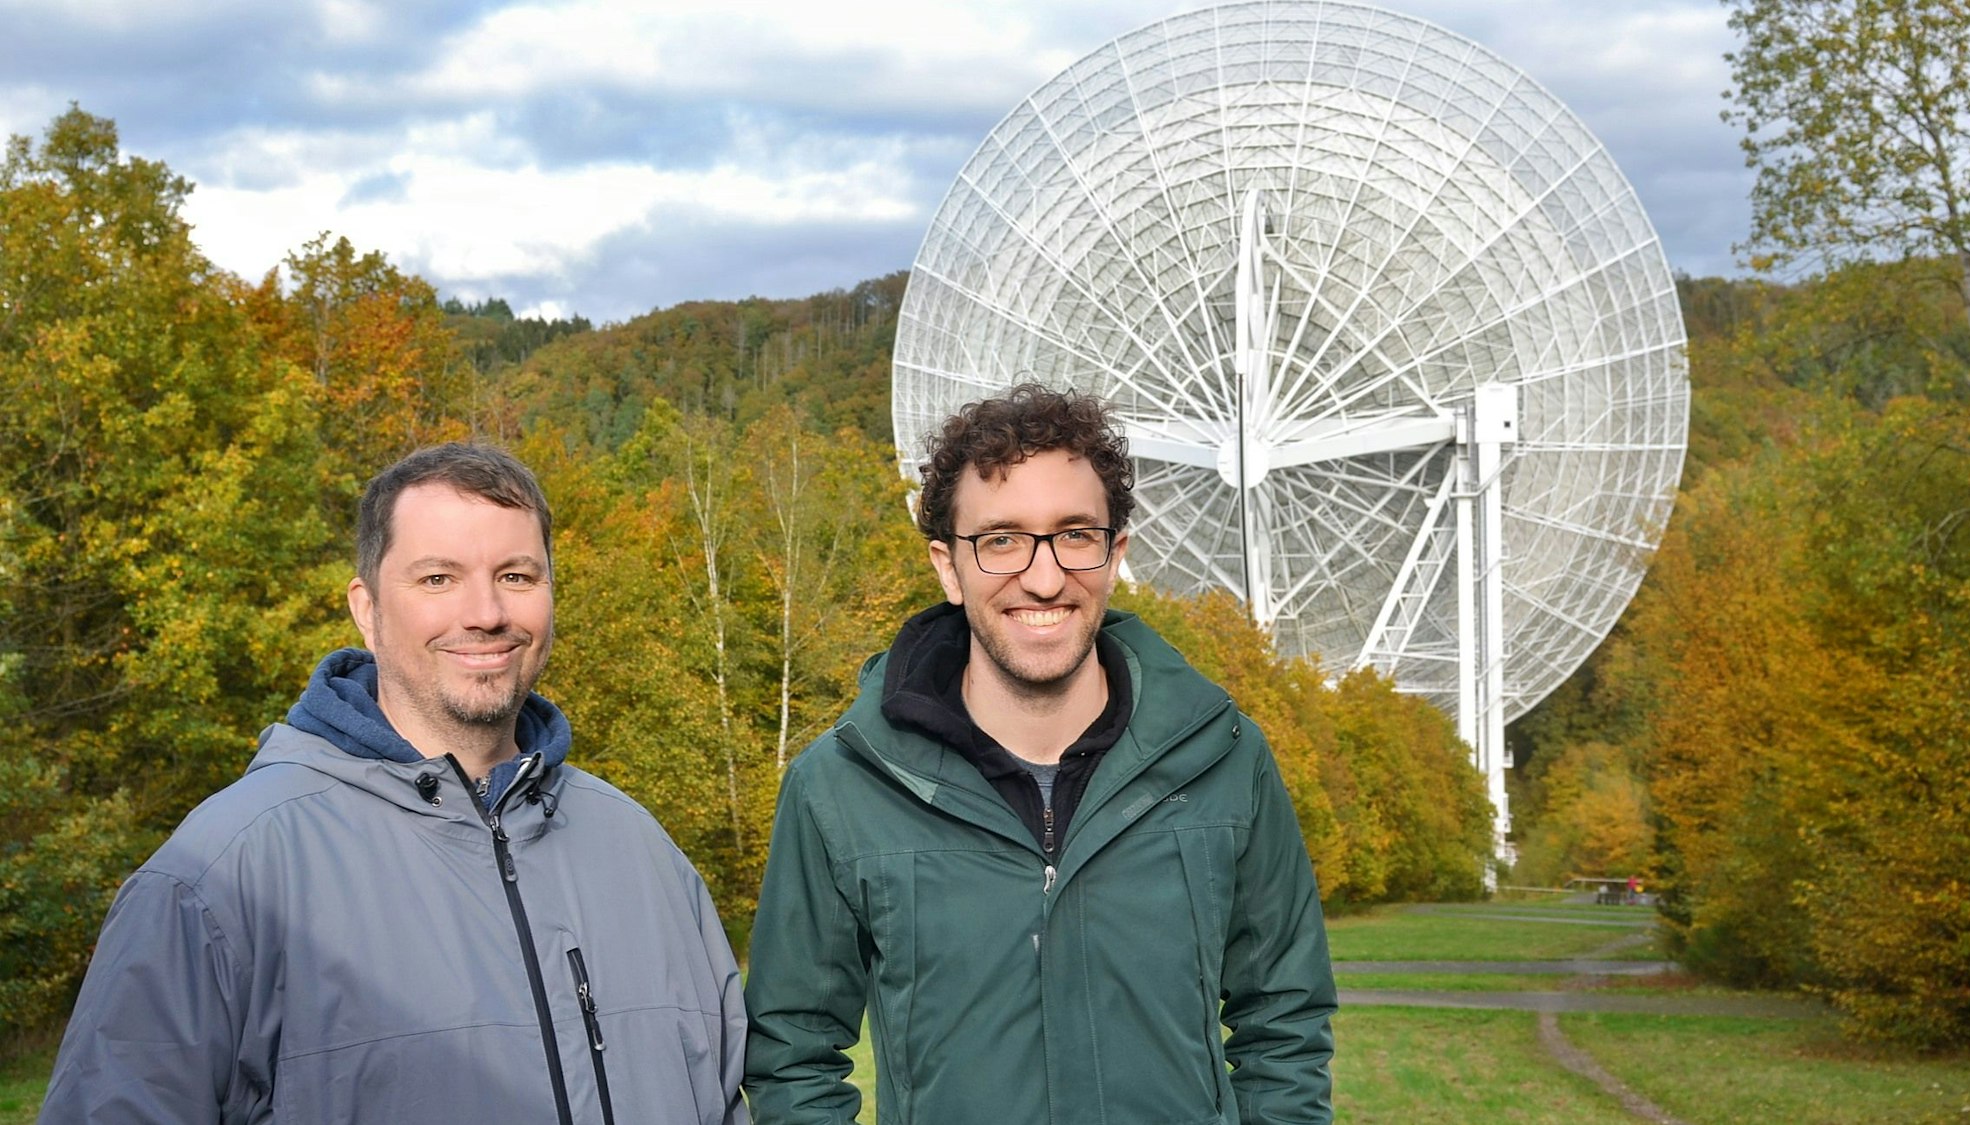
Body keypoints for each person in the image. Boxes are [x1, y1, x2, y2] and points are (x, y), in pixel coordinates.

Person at [41, 443, 746, 1124]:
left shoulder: (642, 854)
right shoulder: (222, 877)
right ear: (367, 607)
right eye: (438, 578)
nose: (486, 613)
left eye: (516, 576)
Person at [744, 384, 1336, 1124]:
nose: (1046, 577)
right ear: (948, 567)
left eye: (1075, 534)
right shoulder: (840, 787)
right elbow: (792, 1055)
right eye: (1001, 540)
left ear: (1115, 554)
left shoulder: (1225, 761)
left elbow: (1284, 1025)